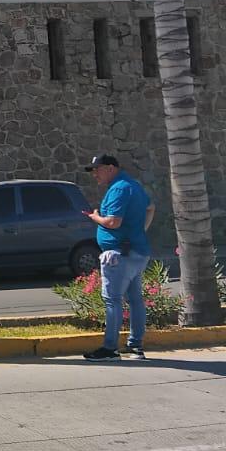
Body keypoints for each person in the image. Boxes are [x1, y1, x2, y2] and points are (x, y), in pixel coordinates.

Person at [82, 154, 156, 361]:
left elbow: (113, 222)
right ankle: (135, 347)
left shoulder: (118, 188)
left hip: (118, 254)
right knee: (135, 300)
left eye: (97, 169)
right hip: (136, 251)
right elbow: (151, 208)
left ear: (111, 168)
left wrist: (94, 217)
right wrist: (139, 232)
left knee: (112, 300)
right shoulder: (133, 185)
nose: (94, 174)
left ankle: (109, 348)